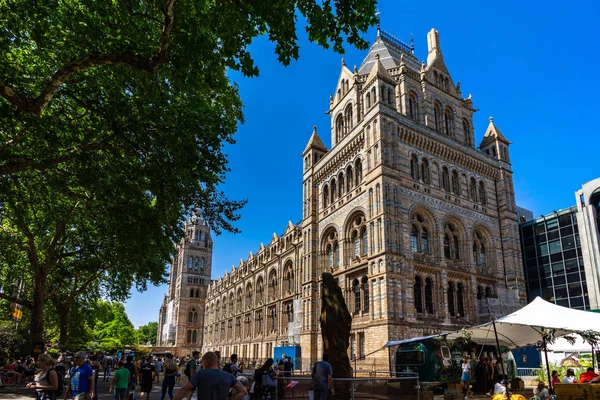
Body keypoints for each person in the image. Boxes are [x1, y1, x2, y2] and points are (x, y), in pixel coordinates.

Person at [172, 352, 247, 400]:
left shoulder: (200, 374)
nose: (202, 364)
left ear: (207, 362)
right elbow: (243, 391)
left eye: (203, 362)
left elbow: (184, 390)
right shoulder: (229, 376)